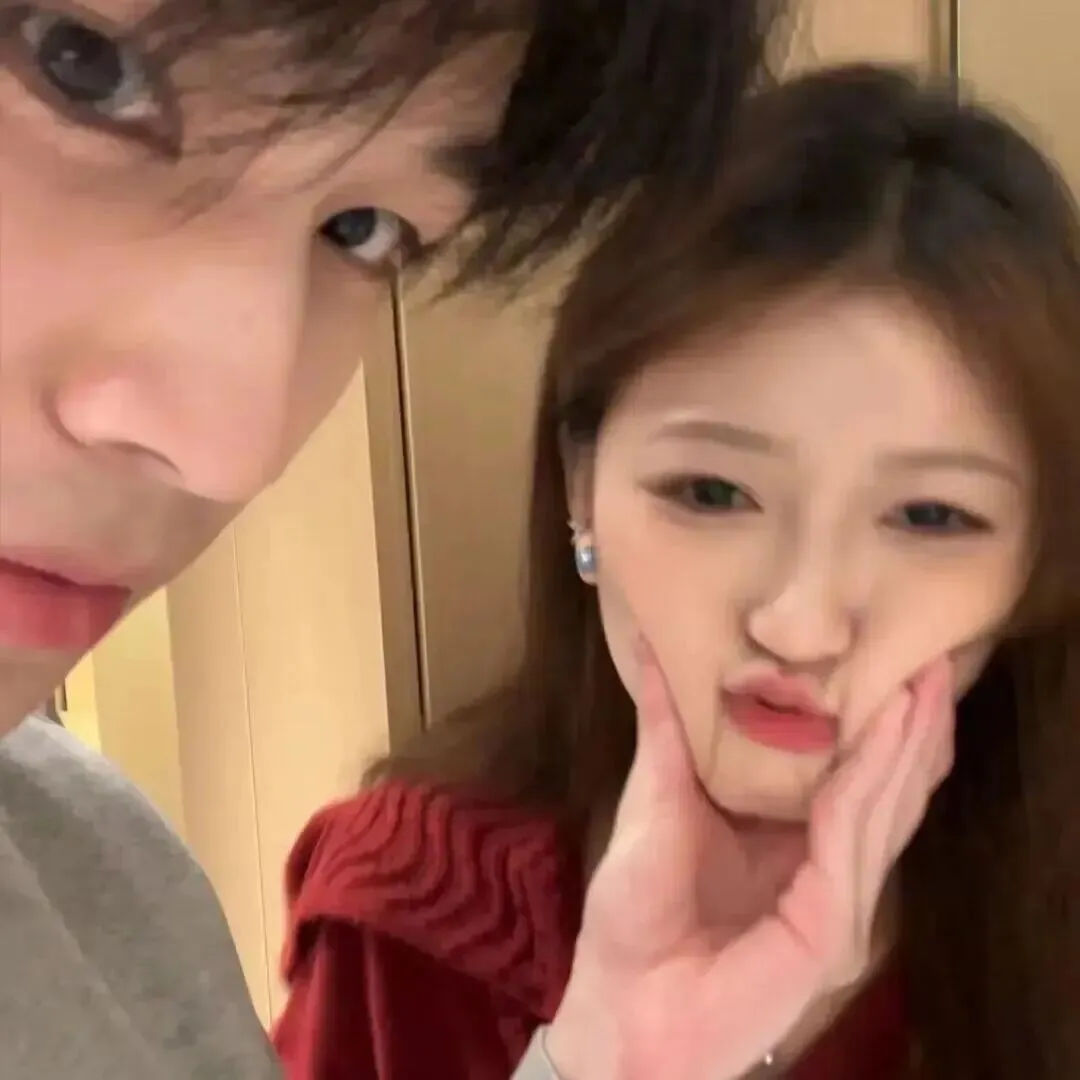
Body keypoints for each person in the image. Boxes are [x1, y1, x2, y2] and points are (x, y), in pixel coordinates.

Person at [0, 0, 798, 1077]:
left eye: (364, 229)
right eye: (81, 69)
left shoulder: (104, 876)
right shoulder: (421, 897)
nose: (233, 447)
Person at [274, 63, 1080, 1080]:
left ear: (1037, 562)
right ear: (581, 490)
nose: (799, 625)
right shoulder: (415, 917)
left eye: (930, 517)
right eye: (711, 493)